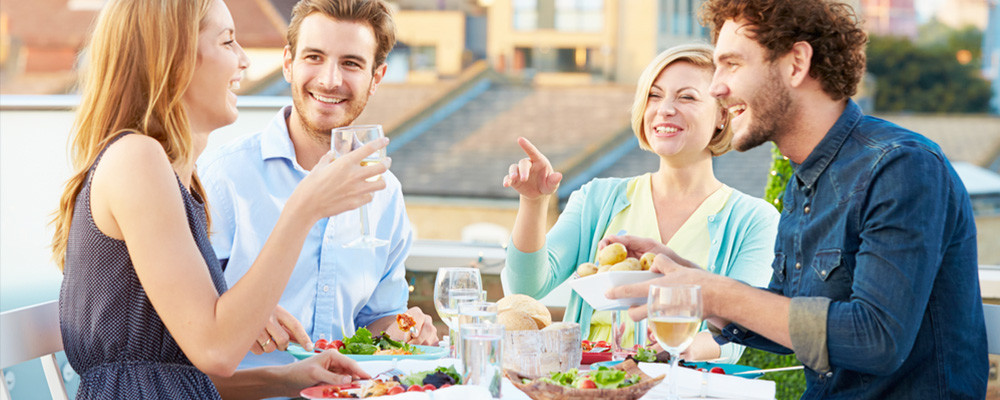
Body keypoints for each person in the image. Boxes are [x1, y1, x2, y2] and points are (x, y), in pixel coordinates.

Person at [606, 0, 988, 398]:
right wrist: (691, 282)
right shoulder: (803, 180)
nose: (716, 86)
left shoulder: (900, 168)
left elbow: (877, 339)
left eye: (732, 64)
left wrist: (716, 293)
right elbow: (791, 316)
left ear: (796, 64)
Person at [50, 0, 382, 398]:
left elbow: (184, 371)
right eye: (228, 42)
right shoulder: (136, 159)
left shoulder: (176, 178)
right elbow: (217, 350)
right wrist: (304, 208)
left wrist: (291, 378)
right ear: (174, 59)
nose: (243, 61)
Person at [500, 44, 779, 363]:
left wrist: (682, 349)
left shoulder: (755, 220)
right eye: (654, 95)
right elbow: (527, 287)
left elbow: (741, 332)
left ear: (722, 115)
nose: (664, 109)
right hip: (593, 384)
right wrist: (533, 202)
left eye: (686, 97)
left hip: (683, 386)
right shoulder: (599, 198)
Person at [198, 0, 437, 371]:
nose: (329, 80)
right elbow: (183, 319)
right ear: (288, 63)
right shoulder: (223, 178)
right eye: (314, 57)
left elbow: (376, 323)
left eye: (351, 63)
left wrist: (404, 327)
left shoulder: (385, 193)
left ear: (376, 77)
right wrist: (242, 311)